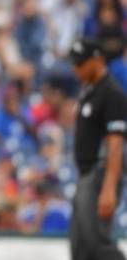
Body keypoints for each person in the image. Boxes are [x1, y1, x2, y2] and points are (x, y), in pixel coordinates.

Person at [68, 39, 127, 260]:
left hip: (100, 175)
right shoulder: (89, 92)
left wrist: (109, 188)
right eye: (74, 64)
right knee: (80, 248)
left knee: (97, 244)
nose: (77, 69)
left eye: (81, 63)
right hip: (85, 176)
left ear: (98, 60)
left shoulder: (112, 94)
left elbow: (115, 144)